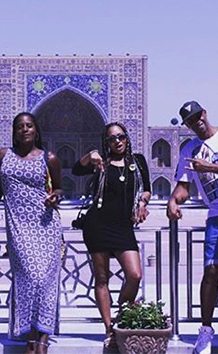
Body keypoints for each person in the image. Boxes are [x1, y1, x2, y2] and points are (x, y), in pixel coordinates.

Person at [167, 100, 218, 354]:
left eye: (198, 116)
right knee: (211, 271)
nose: (197, 122)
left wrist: (211, 167)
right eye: (191, 121)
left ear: (205, 113)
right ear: (187, 125)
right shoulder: (189, 149)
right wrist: (173, 201)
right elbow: (183, 187)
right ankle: (205, 331)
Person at [0, 112, 63, 354]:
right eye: (20, 126)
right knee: (29, 277)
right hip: (19, 227)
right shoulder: (3, 155)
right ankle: (31, 335)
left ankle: (40, 338)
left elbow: (59, 188)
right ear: (14, 132)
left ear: (36, 131)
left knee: (45, 280)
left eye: (29, 125)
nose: (25, 129)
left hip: (46, 225)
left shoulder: (49, 158)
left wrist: (56, 196)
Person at [72, 122, 151, 349]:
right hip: (97, 225)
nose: (117, 141)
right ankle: (109, 329)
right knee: (102, 278)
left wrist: (142, 203)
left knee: (134, 274)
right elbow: (76, 169)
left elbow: (147, 188)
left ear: (127, 138)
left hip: (123, 226)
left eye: (121, 136)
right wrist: (90, 155)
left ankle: (121, 313)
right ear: (106, 143)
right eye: (112, 138)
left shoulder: (138, 162)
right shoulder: (101, 163)